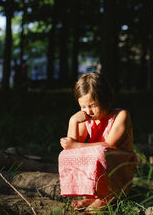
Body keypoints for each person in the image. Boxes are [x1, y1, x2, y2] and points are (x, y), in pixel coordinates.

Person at [58, 72, 136, 212]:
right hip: (101, 167)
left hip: (119, 169)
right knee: (65, 154)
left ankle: (108, 197)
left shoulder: (121, 115)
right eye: (83, 107)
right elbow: (71, 148)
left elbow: (109, 144)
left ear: (104, 99)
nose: (88, 111)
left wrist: (75, 145)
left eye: (93, 105)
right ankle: (92, 195)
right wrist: (73, 121)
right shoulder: (86, 119)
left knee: (100, 153)